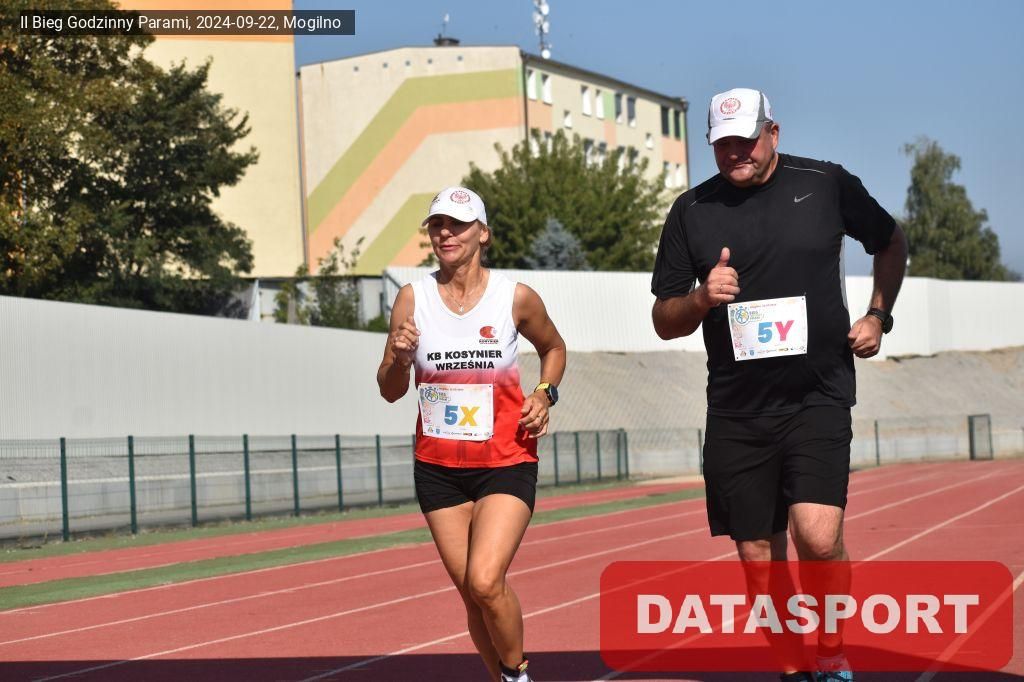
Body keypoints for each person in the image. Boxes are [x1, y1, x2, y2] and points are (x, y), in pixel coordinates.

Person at [651, 89, 907, 682]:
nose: (735, 152)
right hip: (738, 410)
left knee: (817, 536)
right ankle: (794, 669)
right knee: (757, 558)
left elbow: (890, 241)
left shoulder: (824, 184)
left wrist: (878, 315)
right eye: (723, 144)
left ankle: (832, 652)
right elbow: (664, 319)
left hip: (816, 394)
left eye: (746, 139)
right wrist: (700, 298)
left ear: (773, 132)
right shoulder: (691, 210)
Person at [378, 186, 566, 682]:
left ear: (483, 234)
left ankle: (517, 674)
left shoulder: (514, 297)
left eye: (458, 224)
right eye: (437, 225)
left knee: (485, 581)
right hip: (438, 469)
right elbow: (390, 390)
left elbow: (554, 347)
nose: (446, 233)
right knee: (471, 594)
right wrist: (400, 359)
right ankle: (502, 677)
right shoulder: (412, 299)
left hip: (506, 460)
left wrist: (544, 393)